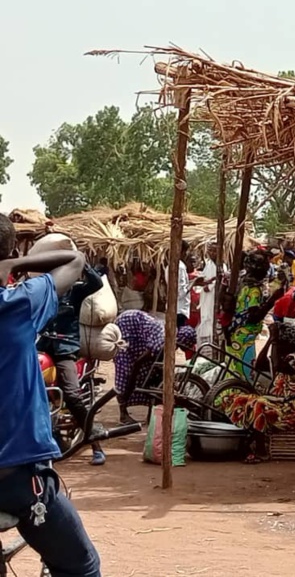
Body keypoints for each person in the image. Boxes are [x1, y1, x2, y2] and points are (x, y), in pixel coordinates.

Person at [0, 215, 102, 577]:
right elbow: (74, 261)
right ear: (12, 252)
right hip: (13, 478)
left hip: (63, 348)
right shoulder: (19, 304)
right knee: (82, 566)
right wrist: (15, 264)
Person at [37, 263, 106, 466]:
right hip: (42, 346)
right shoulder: (42, 291)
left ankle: (96, 443)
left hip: (65, 349)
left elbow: (96, 283)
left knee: (72, 395)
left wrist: (82, 263)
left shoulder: (75, 291)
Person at [225, 323, 295, 461]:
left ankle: (261, 451)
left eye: (280, 342)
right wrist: (269, 341)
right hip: (281, 404)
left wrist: (274, 341)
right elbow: (260, 364)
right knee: (237, 399)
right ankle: (246, 444)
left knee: (259, 404)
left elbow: (276, 365)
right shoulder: (283, 358)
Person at [115, 309, 197, 424]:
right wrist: (134, 373)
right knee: (126, 373)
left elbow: (157, 360)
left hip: (139, 332)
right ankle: (123, 414)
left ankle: (151, 416)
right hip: (128, 327)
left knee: (153, 375)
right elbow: (140, 360)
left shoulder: (171, 337)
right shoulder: (163, 340)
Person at [225, 250, 284, 381]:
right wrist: (273, 300)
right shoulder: (254, 290)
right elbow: (254, 317)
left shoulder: (242, 283)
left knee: (233, 370)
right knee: (243, 375)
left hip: (236, 333)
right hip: (244, 337)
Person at [195, 241, 223, 348]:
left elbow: (220, 280)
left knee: (211, 318)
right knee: (205, 317)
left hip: (214, 297)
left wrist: (210, 286)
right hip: (206, 298)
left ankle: (212, 344)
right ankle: (206, 345)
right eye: (210, 250)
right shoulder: (208, 265)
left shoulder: (221, 266)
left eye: (214, 251)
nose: (212, 253)